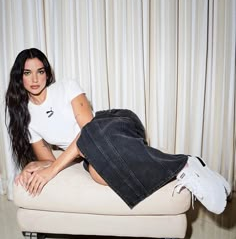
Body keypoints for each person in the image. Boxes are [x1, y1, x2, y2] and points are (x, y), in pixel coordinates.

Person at [5, 48, 231, 215]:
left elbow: (88, 131)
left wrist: (51, 170)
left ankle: (184, 166)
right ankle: (186, 165)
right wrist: (33, 166)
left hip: (114, 125)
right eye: (27, 73)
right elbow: (49, 159)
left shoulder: (66, 87)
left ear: (47, 73)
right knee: (97, 173)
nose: (35, 79)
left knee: (94, 137)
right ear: (20, 77)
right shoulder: (27, 119)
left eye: (40, 71)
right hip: (93, 152)